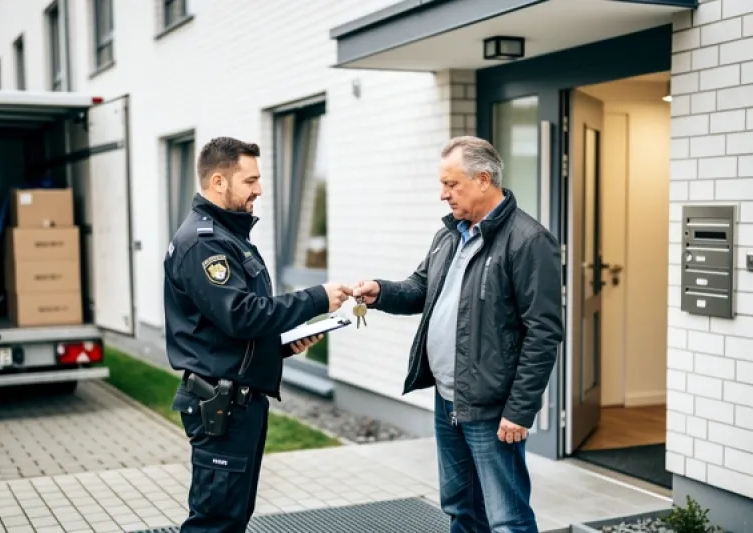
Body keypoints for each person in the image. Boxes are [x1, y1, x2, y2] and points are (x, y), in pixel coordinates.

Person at [353, 136, 563, 533]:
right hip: (447, 400)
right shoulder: (450, 235)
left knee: (507, 519)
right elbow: (421, 288)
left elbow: (543, 332)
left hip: (491, 407)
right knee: (461, 509)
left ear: (483, 180)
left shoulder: (529, 241)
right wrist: (381, 291)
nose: (443, 195)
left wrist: (520, 409)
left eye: (452, 185)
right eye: (443, 184)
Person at [163, 136, 352, 532]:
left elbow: (225, 329)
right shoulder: (204, 243)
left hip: (236, 403)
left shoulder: (228, 236)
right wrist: (318, 297)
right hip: (221, 406)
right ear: (219, 181)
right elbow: (241, 315)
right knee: (215, 523)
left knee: (232, 518)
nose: (259, 189)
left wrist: (280, 344)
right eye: (250, 180)